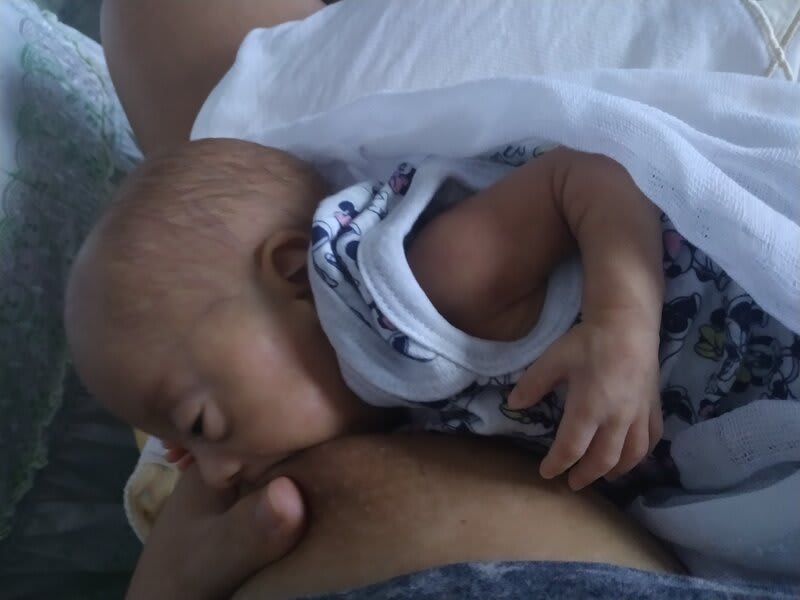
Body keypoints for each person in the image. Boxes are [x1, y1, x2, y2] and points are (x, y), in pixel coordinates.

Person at [93, 1, 799, 598]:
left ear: (292, 276)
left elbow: (589, 174)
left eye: (201, 422)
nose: (219, 476)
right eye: (181, 452)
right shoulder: (375, 398)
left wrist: (621, 328)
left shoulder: (412, 287)